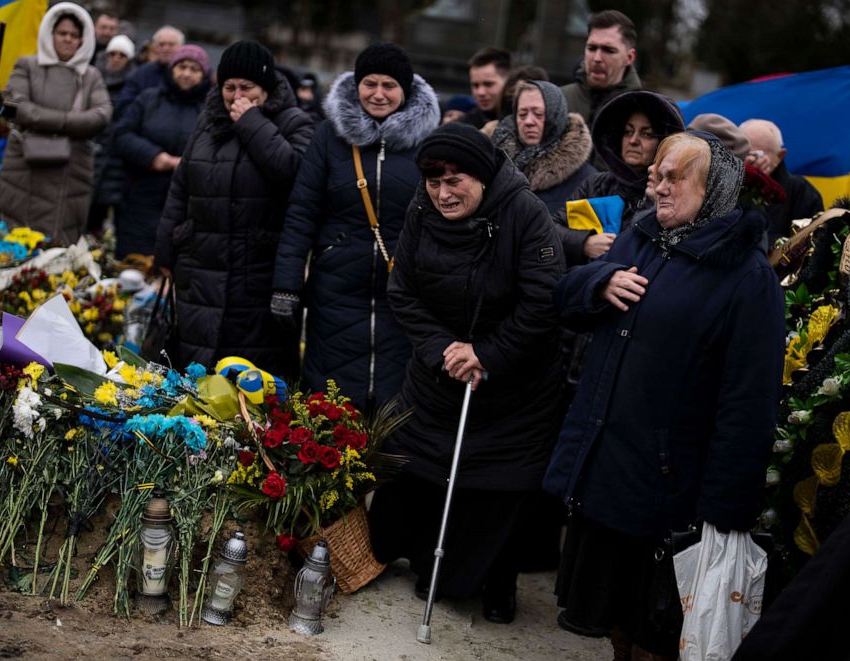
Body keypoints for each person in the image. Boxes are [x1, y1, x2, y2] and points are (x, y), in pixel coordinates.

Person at [544, 132, 784, 660]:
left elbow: (748, 404)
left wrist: (725, 510)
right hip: (606, 472)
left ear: (715, 188)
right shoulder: (641, 237)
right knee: (614, 622)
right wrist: (599, 282)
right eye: (658, 174)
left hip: (669, 491)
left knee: (659, 630)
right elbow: (565, 301)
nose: (659, 189)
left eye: (675, 177)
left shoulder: (746, 279)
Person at [370, 122, 566, 624]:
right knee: (425, 468)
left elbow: (544, 301)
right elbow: (403, 292)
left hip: (513, 379)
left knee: (497, 487)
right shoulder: (420, 208)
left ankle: (498, 580)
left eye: (456, 180)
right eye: (435, 181)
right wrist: (445, 350)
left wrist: (487, 352)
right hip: (441, 369)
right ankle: (429, 562)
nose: (443, 192)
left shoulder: (526, 214)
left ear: (481, 176)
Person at [271, 42, 440, 410]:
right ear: (357, 85)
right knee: (330, 394)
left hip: (406, 289)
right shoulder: (329, 138)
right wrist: (287, 283)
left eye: (389, 86)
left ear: (406, 90)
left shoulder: (429, 143)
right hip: (336, 285)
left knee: (398, 394)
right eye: (370, 84)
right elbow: (302, 212)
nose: (378, 94)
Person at [153, 41, 314, 373]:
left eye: (247, 87)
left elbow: (294, 175)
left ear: (266, 88)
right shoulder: (209, 121)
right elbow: (181, 187)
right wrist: (165, 251)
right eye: (230, 87)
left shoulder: (295, 122)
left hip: (256, 273)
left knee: (247, 376)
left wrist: (252, 123)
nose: (237, 94)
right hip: (200, 267)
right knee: (198, 366)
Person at [0, 2, 112, 246]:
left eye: (74, 35)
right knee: (14, 243)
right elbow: (18, 107)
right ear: (50, 34)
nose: (68, 40)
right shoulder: (27, 65)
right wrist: (69, 121)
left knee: (56, 245)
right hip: (24, 167)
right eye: (62, 33)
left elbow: (101, 115)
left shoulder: (91, 76)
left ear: (83, 40)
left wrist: (46, 119)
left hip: (71, 172)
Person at [114, 45, 211, 257]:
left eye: (194, 69)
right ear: (171, 69)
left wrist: (186, 164)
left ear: (204, 75)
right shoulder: (148, 99)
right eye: (181, 66)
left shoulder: (210, 111)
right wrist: (155, 157)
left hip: (187, 204)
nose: (186, 73)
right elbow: (121, 135)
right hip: (139, 199)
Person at [572, 90, 685, 263]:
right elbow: (555, 229)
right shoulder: (596, 185)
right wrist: (583, 242)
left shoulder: (675, 194)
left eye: (646, 134)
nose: (633, 140)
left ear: (665, 144)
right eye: (628, 131)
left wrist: (655, 204)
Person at [492, 80, 595, 226]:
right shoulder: (496, 164)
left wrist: (582, 242)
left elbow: (585, 235)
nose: (528, 121)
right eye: (522, 114)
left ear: (556, 116)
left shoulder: (587, 181)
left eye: (538, 114)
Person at [740, 118, 824, 245]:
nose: (749, 160)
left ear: (780, 156)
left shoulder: (801, 193)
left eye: (755, 155)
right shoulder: (722, 184)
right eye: (742, 153)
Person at [87, 33, 137, 237]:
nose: (116, 58)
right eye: (112, 54)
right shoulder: (91, 78)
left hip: (113, 158)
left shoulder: (132, 87)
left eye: (122, 55)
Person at [560, 10, 642, 132]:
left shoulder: (643, 109)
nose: (597, 58)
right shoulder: (560, 101)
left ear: (629, 58)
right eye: (592, 48)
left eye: (608, 50)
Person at [115, 25, 184, 113]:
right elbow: (124, 102)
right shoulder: (142, 72)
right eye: (161, 44)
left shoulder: (188, 75)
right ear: (154, 47)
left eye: (171, 44)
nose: (166, 48)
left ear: (181, 47)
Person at [458, 47, 510, 129]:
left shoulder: (524, 124)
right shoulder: (462, 127)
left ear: (508, 82)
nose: (480, 92)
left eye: (488, 84)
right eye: (475, 85)